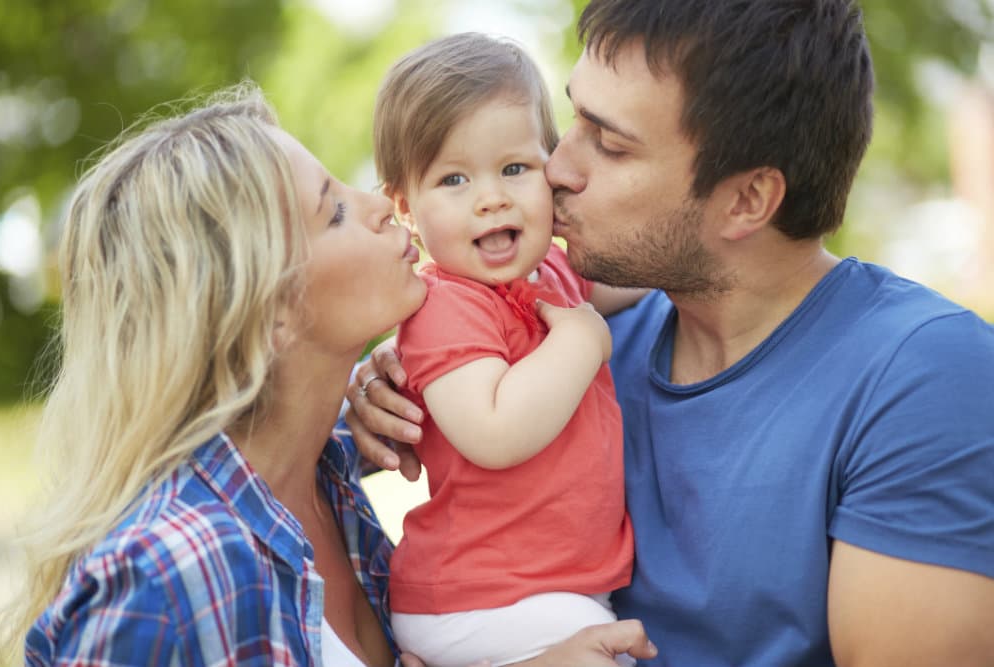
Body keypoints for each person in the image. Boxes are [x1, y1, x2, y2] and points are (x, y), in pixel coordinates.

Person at [347, 2, 994, 665]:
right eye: (574, 118)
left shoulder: (922, 378)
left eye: (609, 142)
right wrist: (393, 377)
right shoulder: (577, 338)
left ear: (745, 200)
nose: (556, 167)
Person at [0, 82, 428, 666]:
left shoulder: (323, 475)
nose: (379, 204)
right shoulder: (162, 581)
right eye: (336, 212)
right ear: (267, 311)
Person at [369, 32, 643, 667]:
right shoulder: (442, 307)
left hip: (538, 590)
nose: (491, 196)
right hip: (480, 596)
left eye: (514, 168)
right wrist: (579, 341)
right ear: (407, 208)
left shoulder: (551, 272)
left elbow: (638, 275)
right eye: (454, 179)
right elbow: (492, 431)